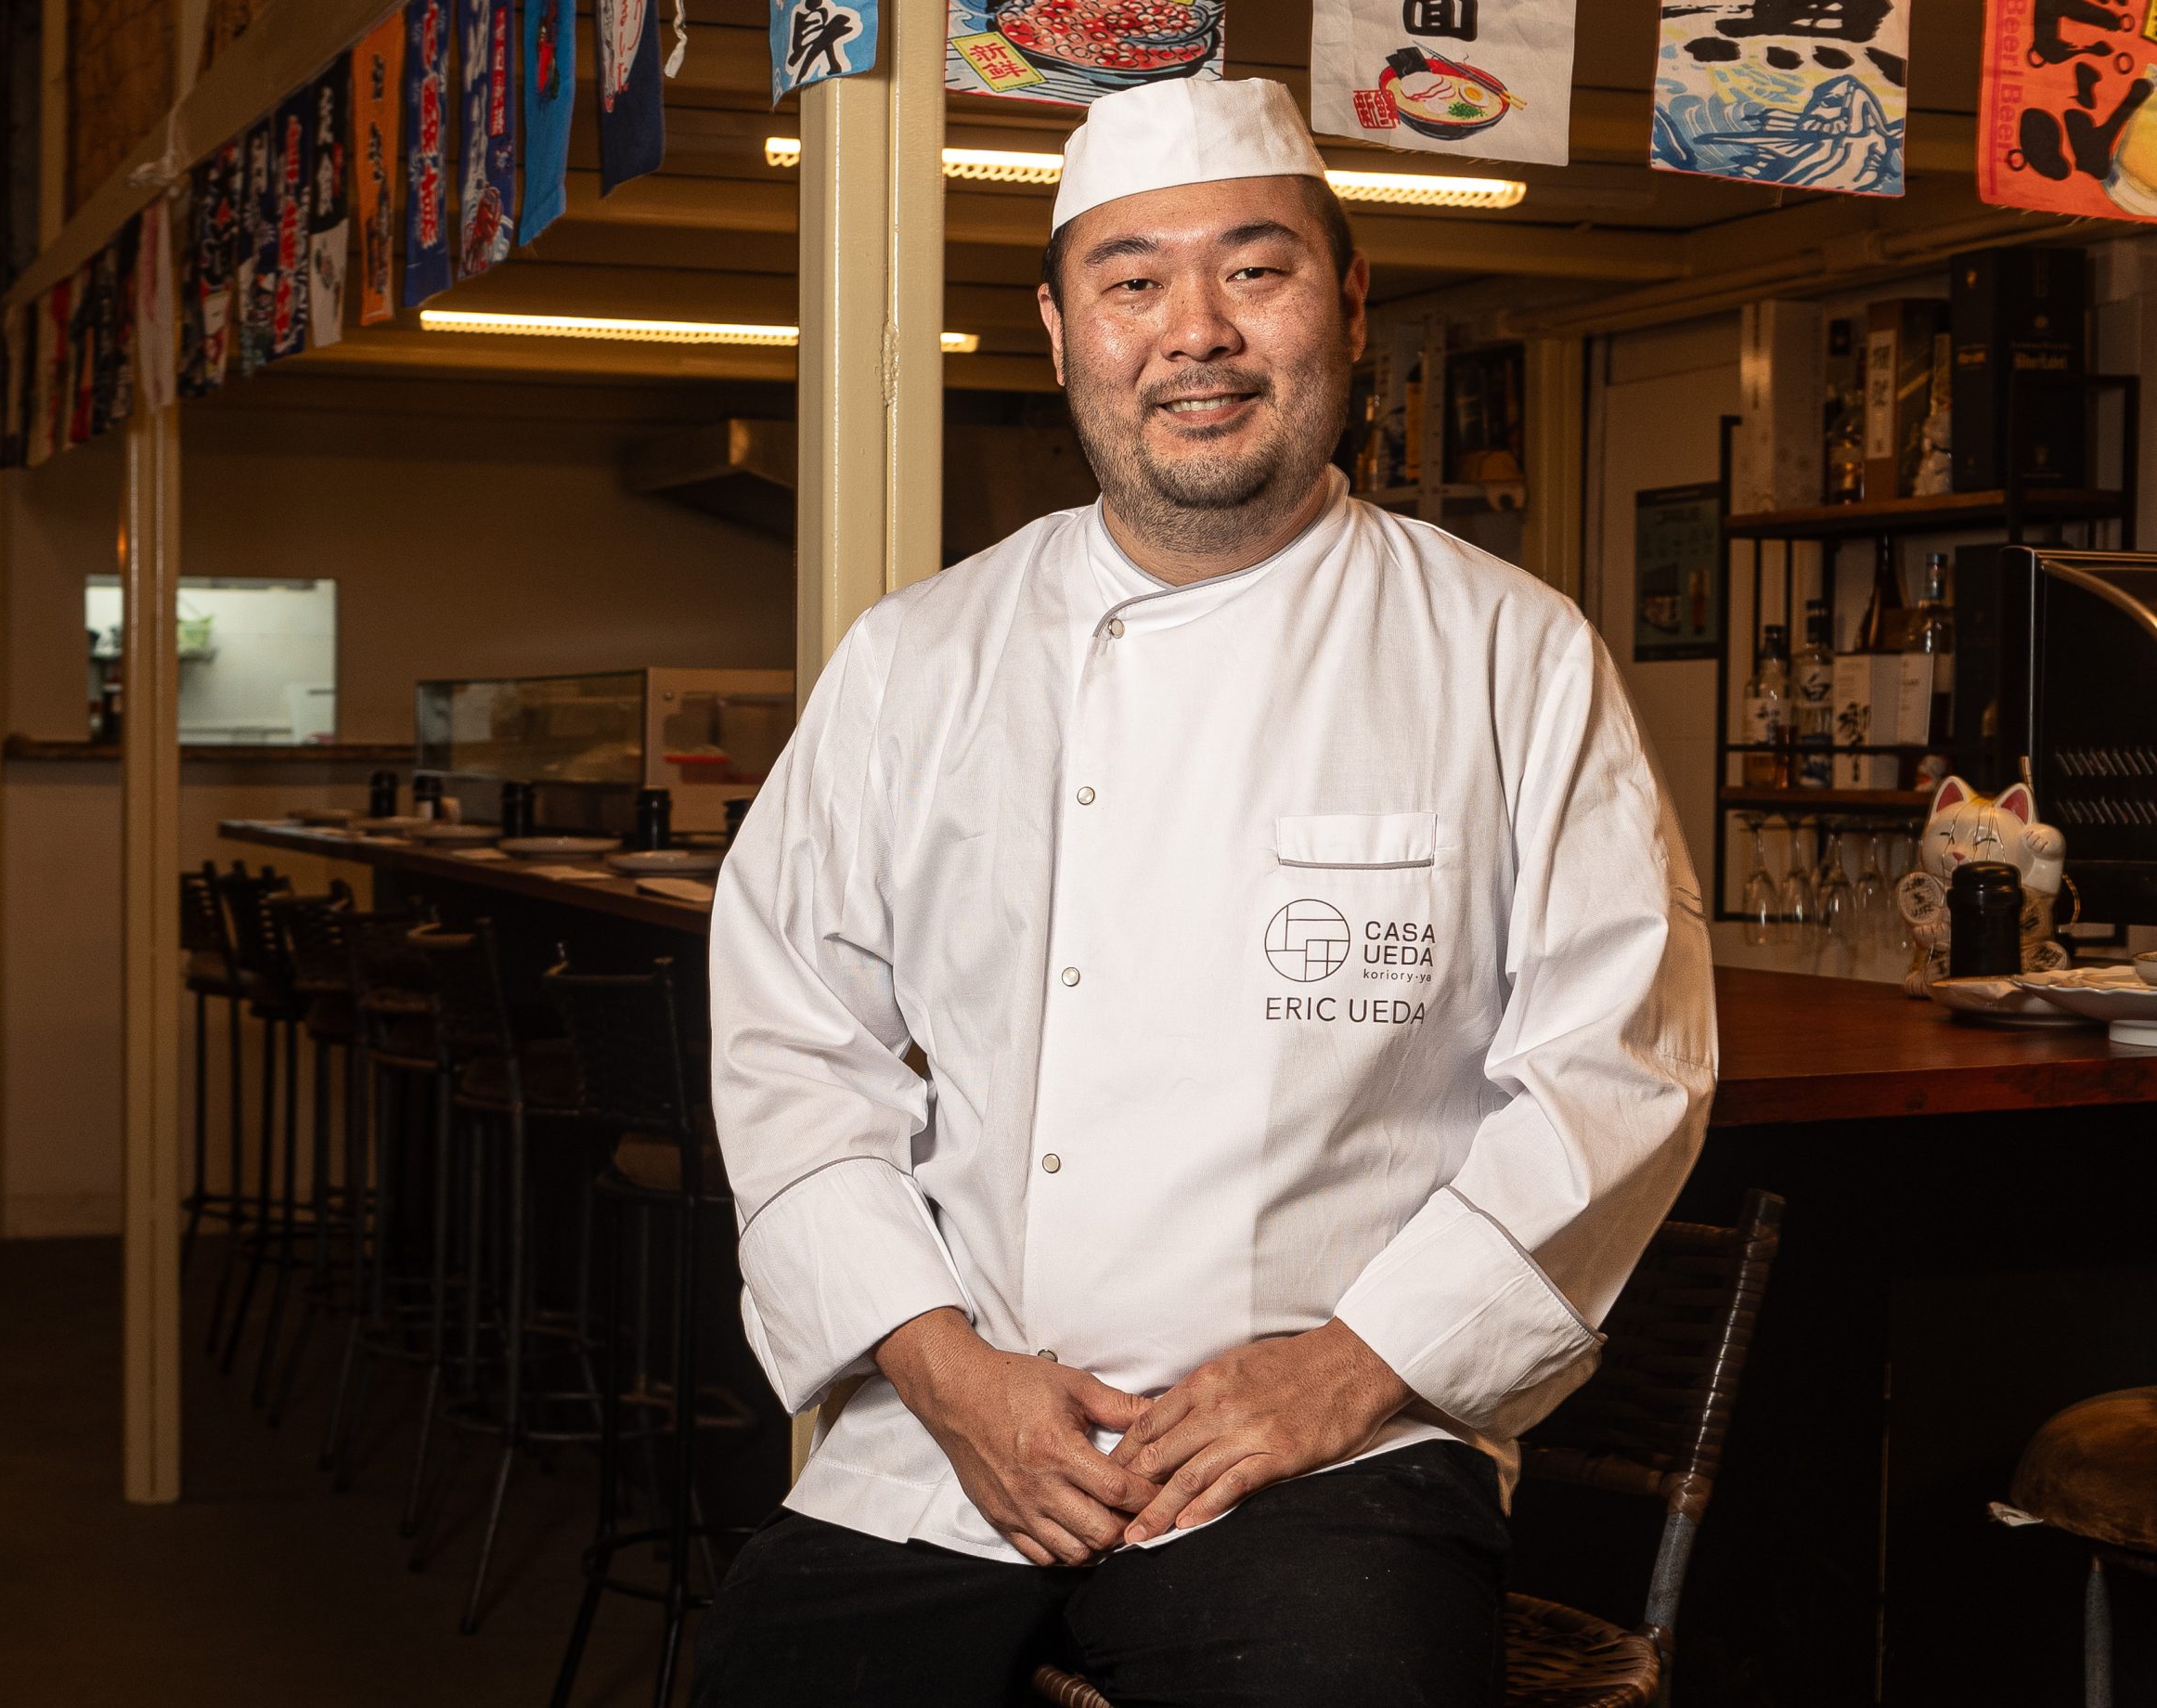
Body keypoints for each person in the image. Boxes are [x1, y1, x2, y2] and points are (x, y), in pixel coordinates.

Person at [695, 77, 1716, 1708]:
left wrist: (1345, 1377)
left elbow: (1618, 1074)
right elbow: (792, 1045)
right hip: (958, 1435)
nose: (1196, 333)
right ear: (1058, 327)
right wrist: (945, 1372)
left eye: (1256, 269)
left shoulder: (1511, 655)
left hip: (1326, 1452)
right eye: (1131, 281)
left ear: (1349, 299)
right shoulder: (919, 659)